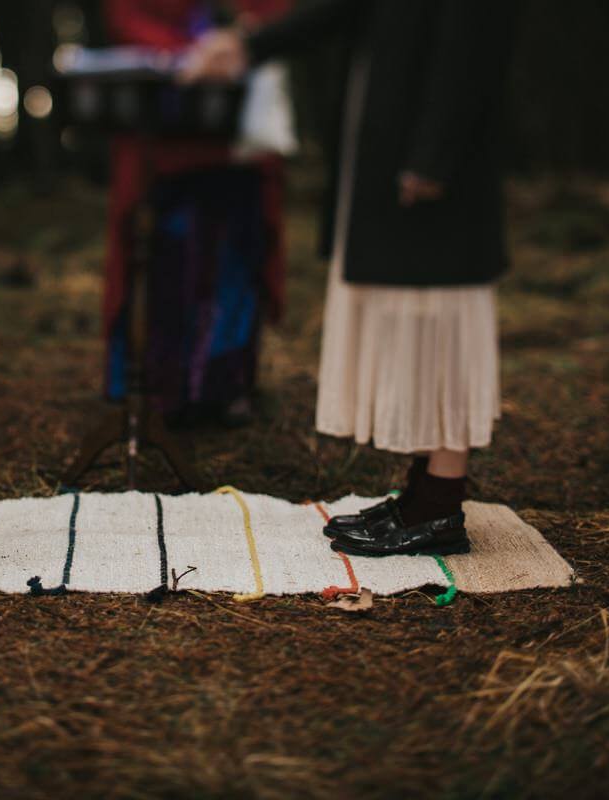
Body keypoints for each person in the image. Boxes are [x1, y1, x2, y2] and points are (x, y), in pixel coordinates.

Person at [182, 0, 514, 556]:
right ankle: (423, 490)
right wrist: (249, 45)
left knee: (440, 314)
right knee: (408, 317)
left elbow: (474, 42)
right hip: (391, 142)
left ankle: (439, 506)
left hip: (435, 156)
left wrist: (435, 156)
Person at [103, 0, 291, 427]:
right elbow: (126, 15)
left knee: (235, 257)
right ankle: (159, 385)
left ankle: (222, 384)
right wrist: (188, 52)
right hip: (164, 126)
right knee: (165, 255)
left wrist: (245, 39)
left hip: (239, 131)